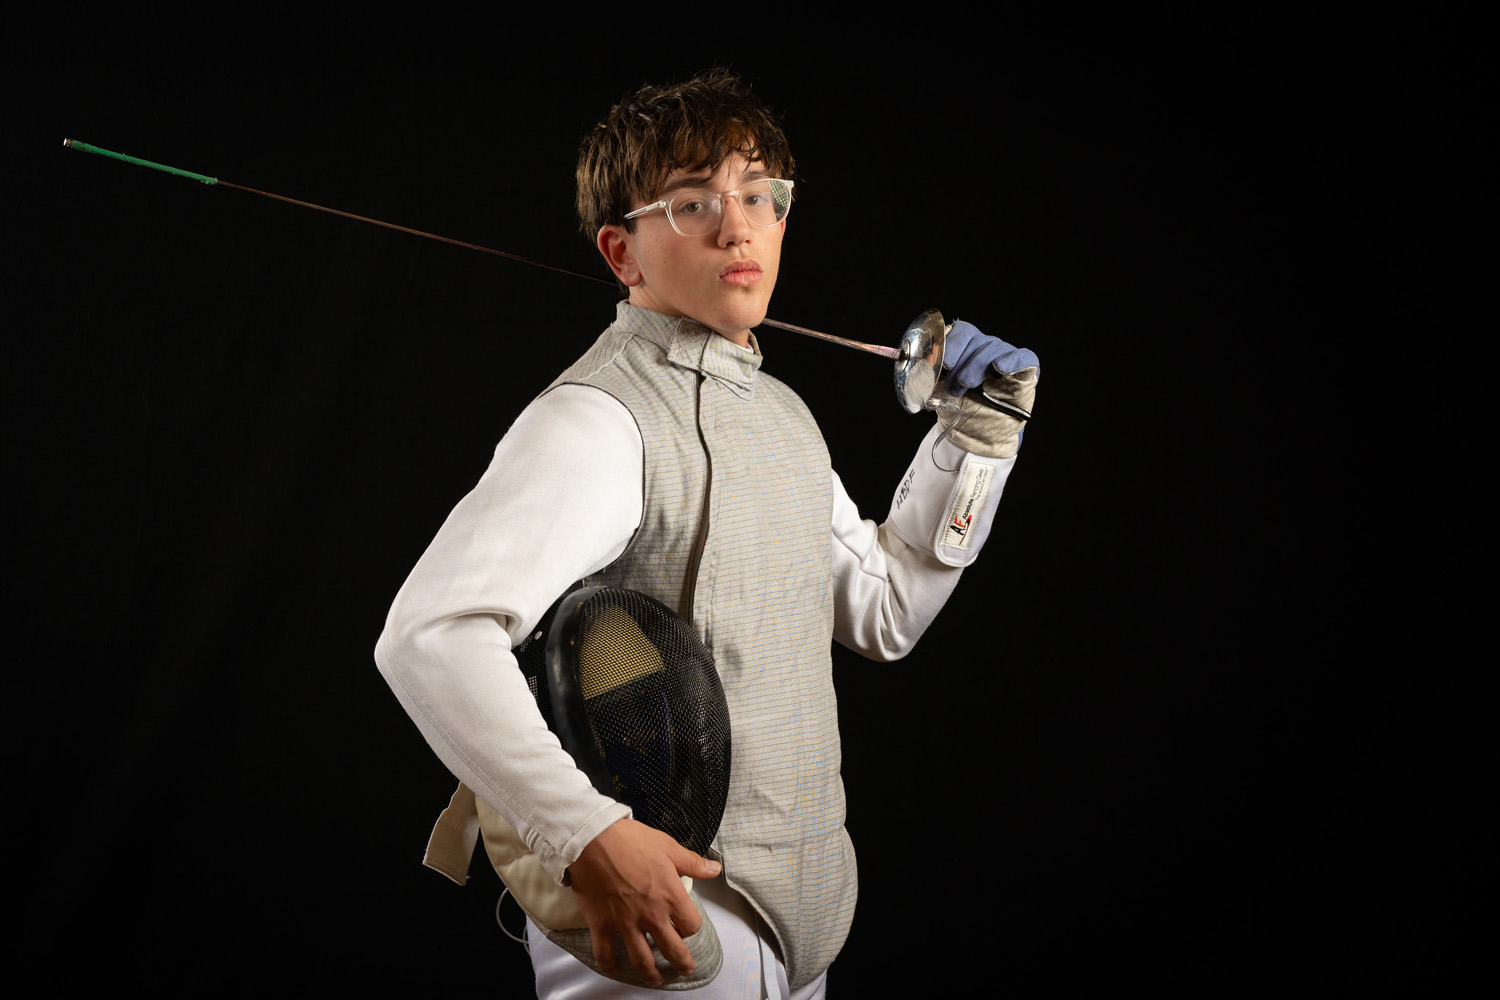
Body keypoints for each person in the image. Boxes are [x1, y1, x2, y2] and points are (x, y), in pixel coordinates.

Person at [375, 69, 1039, 999]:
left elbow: (883, 610)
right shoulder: (598, 418)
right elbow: (429, 635)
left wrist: (976, 444)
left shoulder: (782, 417)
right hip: (665, 912)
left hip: (800, 920)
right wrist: (588, 834)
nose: (738, 227)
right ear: (623, 252)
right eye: (693, 203)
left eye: (759, 196)